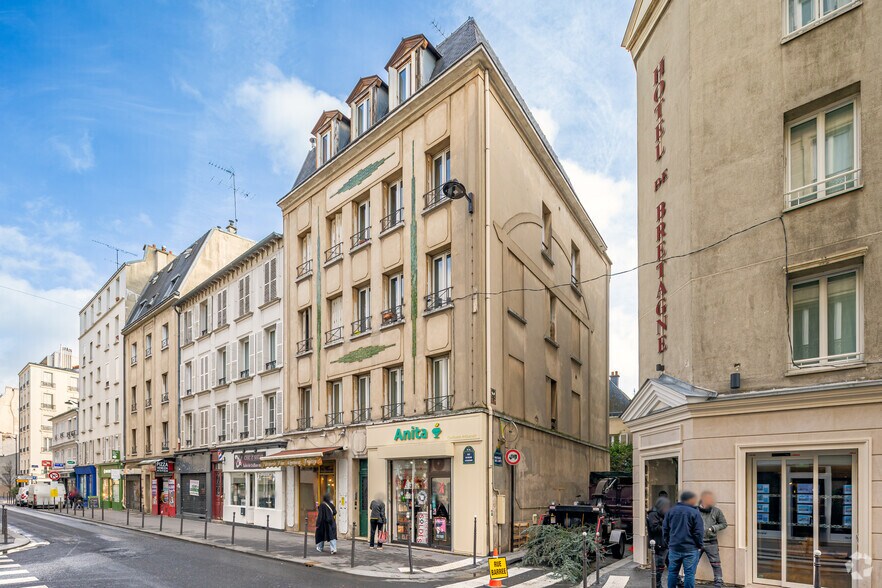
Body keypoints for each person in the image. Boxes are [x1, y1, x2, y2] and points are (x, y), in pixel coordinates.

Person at [663, 491, 703, 588]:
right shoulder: (695, 512)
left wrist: (668, 542)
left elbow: (665, 529)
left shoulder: (670, 511)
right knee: (689, 574)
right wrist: (699, 545)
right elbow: (698, 532)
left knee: (672, 572)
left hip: (674, 547)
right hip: (690, 548)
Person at [698, 491, 728, 588]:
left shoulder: (716, 511)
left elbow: (724, 524)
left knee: (716, 563)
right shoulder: (694, 511)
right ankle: (687, 580)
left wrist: (713, 528)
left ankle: (718, 582)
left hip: (711, 542)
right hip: (697, 542)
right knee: (692, 563)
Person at [646, 496, 671, 588]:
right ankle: (657, 585)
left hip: (666, 543)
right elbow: (655, 528)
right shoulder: (653, 514)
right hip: (659, 544)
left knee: (672, 565)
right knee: (660, 567)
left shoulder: (661, 514)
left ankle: (679, 582)